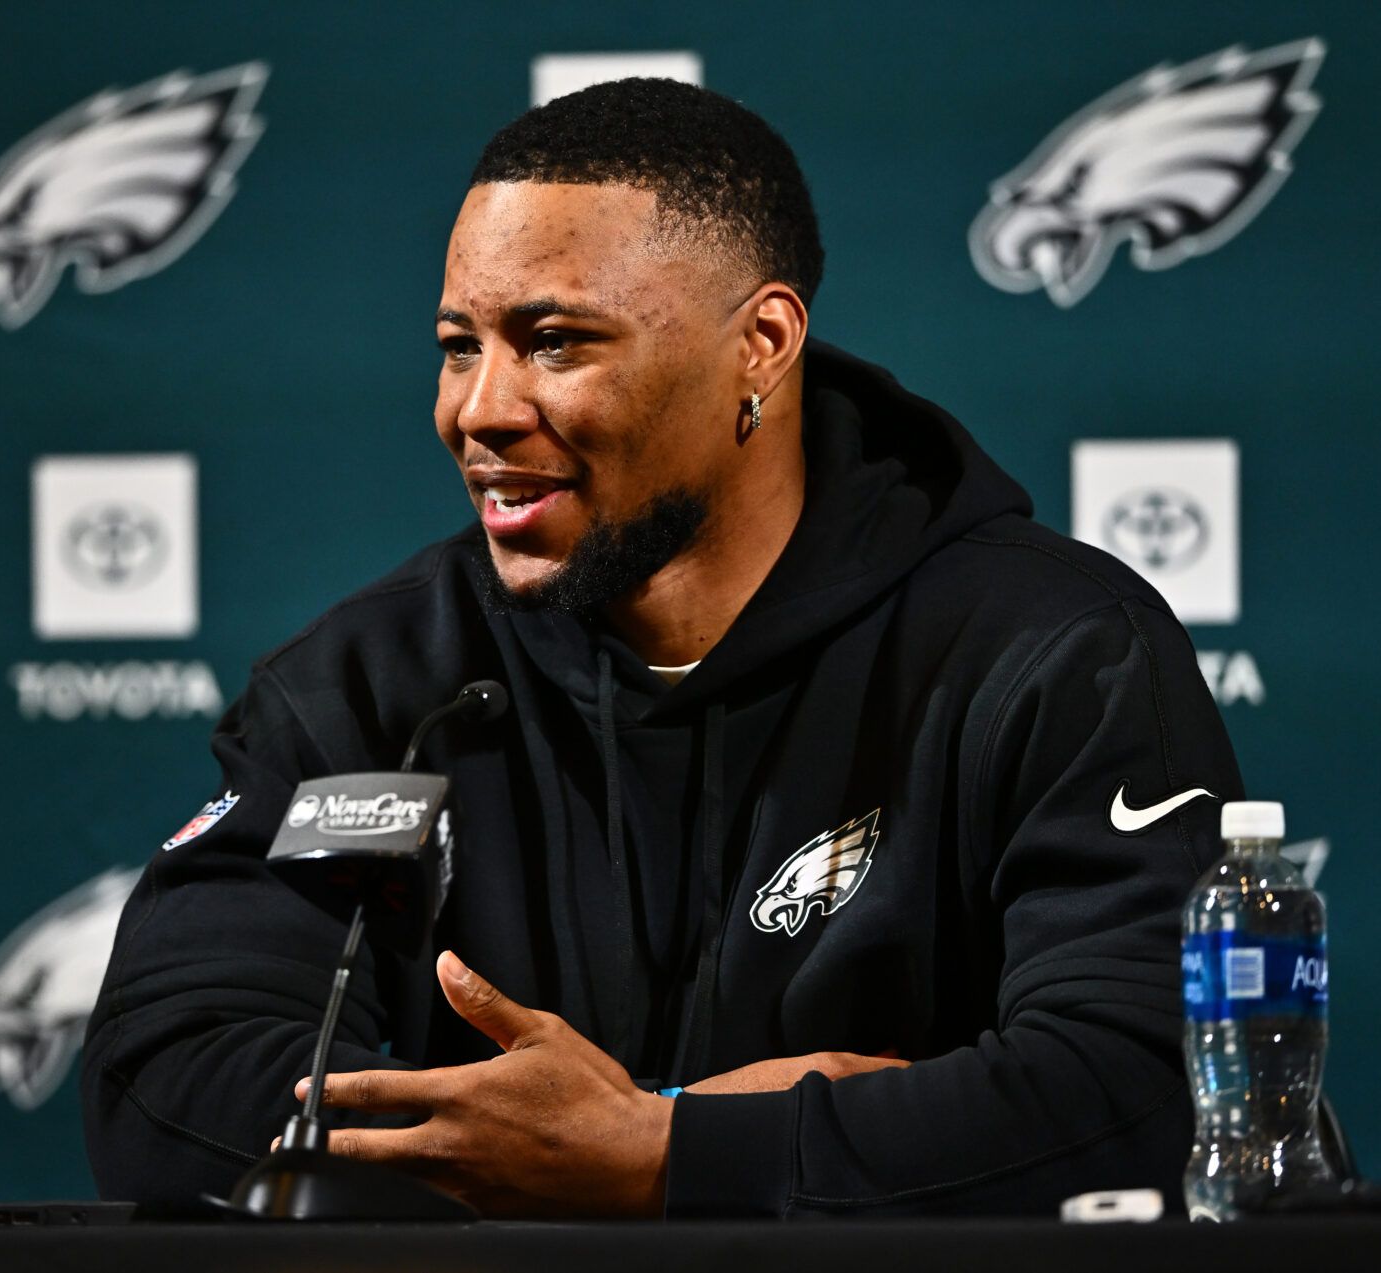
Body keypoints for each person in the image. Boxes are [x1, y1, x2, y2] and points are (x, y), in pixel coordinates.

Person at [81, 77, 1242, 1219]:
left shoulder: (1054, 653)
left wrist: (663, 1147)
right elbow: (169, 1078)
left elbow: (1142, 1092)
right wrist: (544, 1153)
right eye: (457, 344)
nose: (478, 408)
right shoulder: (375, 684)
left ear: (763, 344)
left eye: (554, 341)